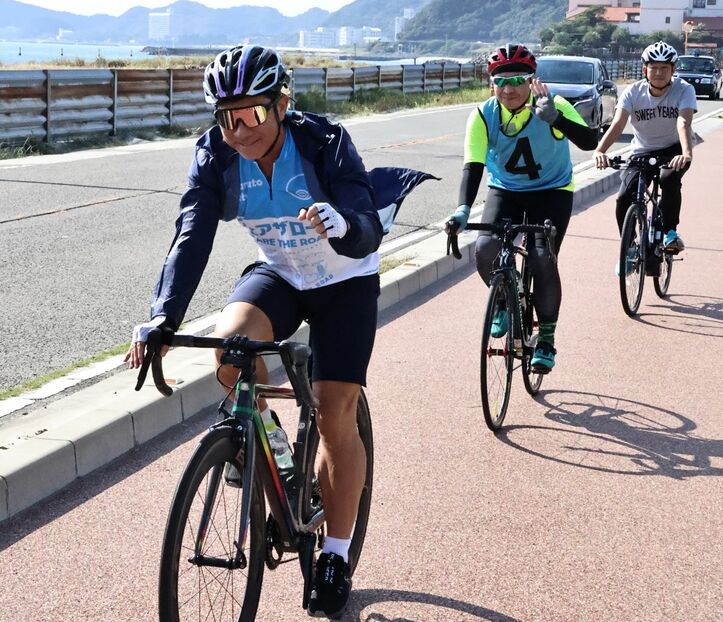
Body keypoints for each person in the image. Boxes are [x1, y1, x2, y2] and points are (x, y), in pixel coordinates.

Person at [125, 44, 433, 619]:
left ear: (281, 104)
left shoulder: (323, 141)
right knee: (229, 350)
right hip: (284, 273)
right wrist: (163, 317)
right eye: (226, 115)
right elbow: (191, 234)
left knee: (335, 405)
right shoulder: (215, 155)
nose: (238, 128)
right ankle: (265, 444)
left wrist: (344, 225)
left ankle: (336, 552)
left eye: (252, 114)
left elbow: (364, 219)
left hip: (345, 279)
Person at [445, 44, 598, 372]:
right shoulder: (483, 116)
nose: (509, 89)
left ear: (532, 81)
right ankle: (504, 298)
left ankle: (545, 339)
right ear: (491, 86)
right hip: (506, 190)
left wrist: (556, 119)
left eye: (517, 80)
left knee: (543, 256)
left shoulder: (552, 103)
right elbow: (472, 166)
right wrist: (461, 209)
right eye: (501, 82)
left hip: (552, 192)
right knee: (485, 248)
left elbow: (590, 142)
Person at [593, 40, 696, 258]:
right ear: (644, 70)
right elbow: (618, 124)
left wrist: (686, 154)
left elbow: (683, 123)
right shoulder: (633, 92)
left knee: (669, 179)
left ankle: (670, 232)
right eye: (654, 67)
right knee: (624, 198)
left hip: (674, 148)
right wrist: (600, 151)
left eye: (664, 68)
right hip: (642, 150)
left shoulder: (684, 90)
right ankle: (628, 247)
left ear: (673, 70)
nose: (658, 72)